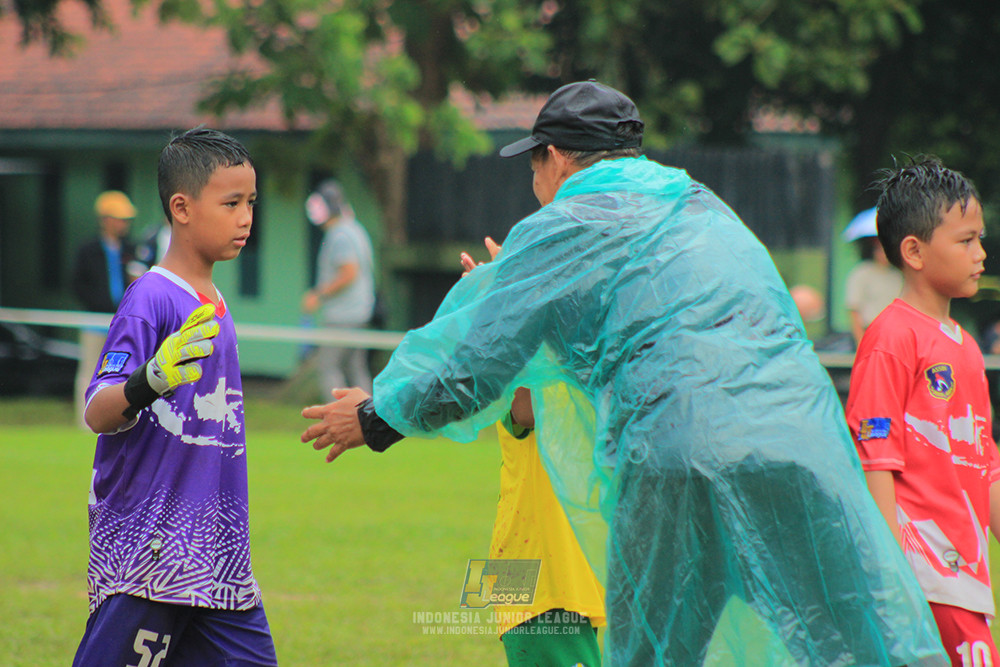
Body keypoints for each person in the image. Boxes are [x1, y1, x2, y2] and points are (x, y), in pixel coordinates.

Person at [300, 81, 946, 666]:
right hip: (800, 452)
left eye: (532, 163)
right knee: (856, 648)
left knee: (654, 652)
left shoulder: (559, 226)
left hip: (675, 458)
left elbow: (472, 370)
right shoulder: (703, 207)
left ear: (553, 157)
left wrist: (375, 418)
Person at [72, 128, 278, 667]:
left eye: (250, 202)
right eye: (231, 203)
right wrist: (151, 378)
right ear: (181, 207)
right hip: (154, 553)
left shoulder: (216, 300)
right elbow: (97, 410)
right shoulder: (152, 297)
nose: (245, 217)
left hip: (221, 558)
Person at [844, 156, 1000, 667]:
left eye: (979, 238)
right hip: (924, 577)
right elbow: (875, 456)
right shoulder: (891, 337)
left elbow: (985, 462)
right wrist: (891, 570)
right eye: (965, 240)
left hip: (965, 573)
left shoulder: (967, 347)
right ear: (913, 250)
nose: (980, 253)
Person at [460, 244, 606, 666]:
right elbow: (524, 408)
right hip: (541, 587)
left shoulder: (587, 373)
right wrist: (512, 299)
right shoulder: (541, 380)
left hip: (565, 585)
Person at [301, 179, 376, 396]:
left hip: (342, 316)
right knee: (356, 368)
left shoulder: (340, 235)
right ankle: (368, 421)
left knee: (328, 367)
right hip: (360, 313)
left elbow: (349, 272)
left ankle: (337, 420)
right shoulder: (355, 229)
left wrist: (318, 295)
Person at [71, 190, 139, 426]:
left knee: (123, 370)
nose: (123, 224)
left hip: (123, 321)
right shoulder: (87, 250)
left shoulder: (131, 249)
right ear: (105, 219)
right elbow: (78, 285)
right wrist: (99, 305)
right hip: (94, 320)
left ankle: (121, 419)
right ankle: (84, 422)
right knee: (89, 369)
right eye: (119, 218)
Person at [843, 209, 903, 346]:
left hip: (894, 334)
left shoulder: (899, 275)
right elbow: (854, 309)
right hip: (869, 331)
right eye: (880, 248)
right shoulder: (862, 272)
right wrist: (860, 341)